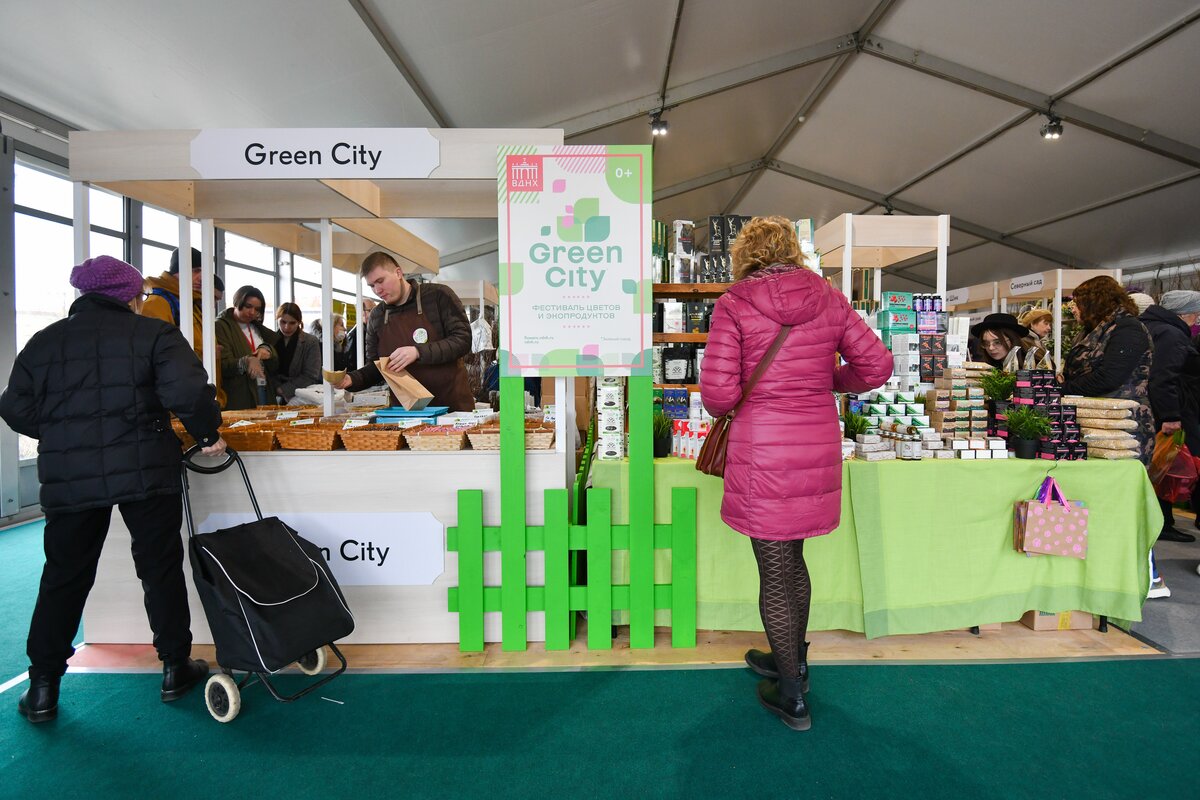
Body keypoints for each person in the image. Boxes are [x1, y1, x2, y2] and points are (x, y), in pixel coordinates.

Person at [0, 256, 225, 724]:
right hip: (145, 467)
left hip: (69, 473)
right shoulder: (153, 335)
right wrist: (207, 436)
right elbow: (188, 391)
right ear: (130, 295)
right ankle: (174, 667)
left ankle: (43, 686)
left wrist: (62, 432)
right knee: (159, 565)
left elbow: (14, 406)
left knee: (65, 573)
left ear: (82, 293)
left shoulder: (44, 342)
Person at [700, 216, 892, 731]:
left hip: (763, 450)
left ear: (746, 255)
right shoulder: (828, 297)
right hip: (815, 442)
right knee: (794, 560)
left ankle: (791, 694)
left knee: (774, 569)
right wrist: (827, 378)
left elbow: (718, 396)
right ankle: (794, 661)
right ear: (795, 251)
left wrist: (755, 392)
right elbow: (876, 367)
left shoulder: (735, 302)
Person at [336, 253, 474, 411]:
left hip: (452, 407)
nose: (377, 290)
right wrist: (351, 379)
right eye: (372, 285)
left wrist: (417, 352)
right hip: (406, 413)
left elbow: (463, 340)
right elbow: (377, 367)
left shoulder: (438, 296)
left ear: (398, 273)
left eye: (381, 281)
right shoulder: (377, 316)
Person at [1141, 290, 1200, 543]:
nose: (1196, 318)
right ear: (1185, 312)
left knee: (1159, 465)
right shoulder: (1172, 334)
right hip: (1167, 411)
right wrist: (1171, 415)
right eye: (1196, 312)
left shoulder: (1150, 326)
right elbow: (1164, 377)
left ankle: (1162, 520)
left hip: (1150, 409)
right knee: (1166, 466)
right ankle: (1162, 522)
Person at [142, 247, 226, 407]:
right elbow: (158, 357)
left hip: (198, 397)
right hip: (177, 405)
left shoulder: (192, 304)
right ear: (176, 272)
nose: (201, 278)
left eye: (204, 271)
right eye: (195, 271)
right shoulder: (158, 303)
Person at [215, 285, 276, 410]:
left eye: (257, 309)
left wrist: (267, 350)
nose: (252, 312)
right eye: (248, 306)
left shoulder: (257, 327)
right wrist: (247, 361)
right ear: (237, 302)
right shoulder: (220, 326)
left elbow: (275, 359)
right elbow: (223, 365)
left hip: (263, 388)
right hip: (239, 395)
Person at [274, 303, 322, 403]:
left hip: (301, 395)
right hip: (273, 393)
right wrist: (275, 388)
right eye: (283, 322)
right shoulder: (270, 339)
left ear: (299, 322)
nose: (287, 327)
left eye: (292, 323)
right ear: (277, 319)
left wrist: (283, 389)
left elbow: (311, 375)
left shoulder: (310, 341)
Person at [969, 313, 1049, 370]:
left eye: (997, 342)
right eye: (986, 343)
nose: (991, 348)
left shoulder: (1034, 362)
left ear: (1013, 340)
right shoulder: (985, 367)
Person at [344, 299, 378, 370]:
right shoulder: (355, 334)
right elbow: (352, 362)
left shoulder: (372, 329)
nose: (376, 313)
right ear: (362, 313)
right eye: (371, 310)